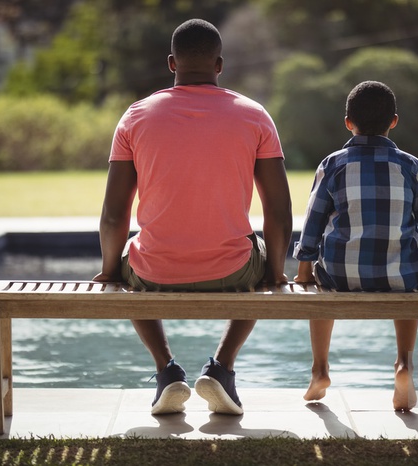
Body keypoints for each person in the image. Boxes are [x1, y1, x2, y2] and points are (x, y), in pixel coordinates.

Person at [94, 19, 292, 416]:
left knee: (128, 257)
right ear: (219, 65)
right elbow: (279, 210)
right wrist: (275, 272)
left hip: (153, 272)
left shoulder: (135, 116)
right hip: (235, 270)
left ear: (172, 63)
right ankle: (222, 367)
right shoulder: (254, 115)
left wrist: (110, 271)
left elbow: (115, 214)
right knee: (265, 258)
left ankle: (167, 372)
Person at [293, 81, 418, 411]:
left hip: (339, 278)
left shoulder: (332, 164)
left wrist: (304, 271)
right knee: (411, 282)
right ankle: (403, 363)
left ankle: (320, 370)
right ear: (394, 120)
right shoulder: (410, 166)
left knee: (319, 289)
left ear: (348, 122)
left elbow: (313, 225)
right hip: (400, 277)